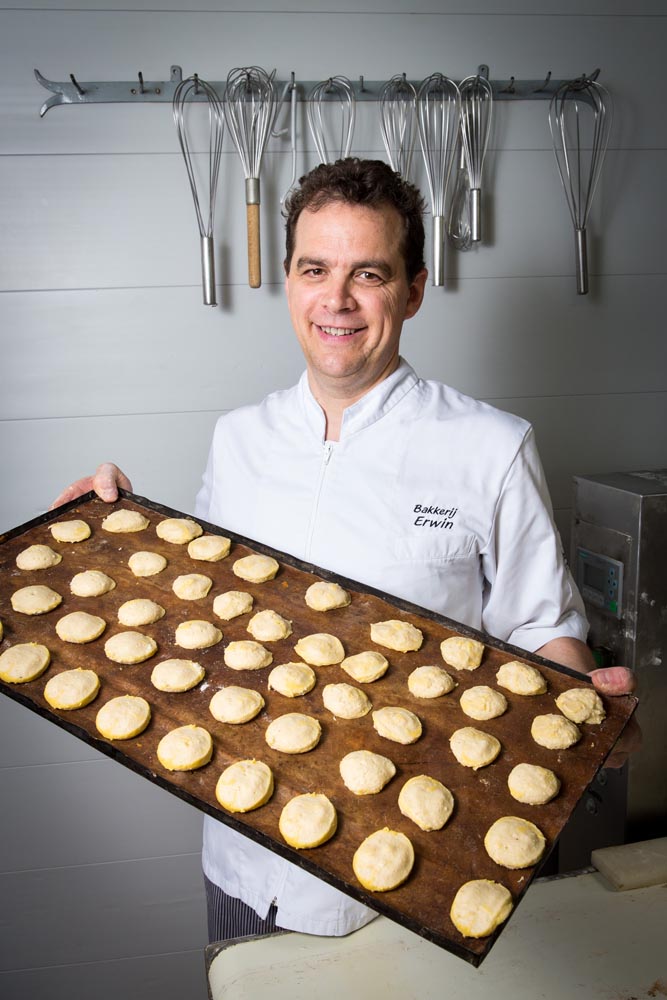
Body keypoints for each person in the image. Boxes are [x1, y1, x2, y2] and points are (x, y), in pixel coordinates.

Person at [53, 157, 638, 944]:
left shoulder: (488, 447)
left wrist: (588, 715)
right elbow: (197, 611)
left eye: (368, 273)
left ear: (413, 290)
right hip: (240, 852)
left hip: (407, 870)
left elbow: (540, 629)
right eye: (314, 269)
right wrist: (103, 540)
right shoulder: (239, 438)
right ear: (289, 282)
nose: (336, 299)